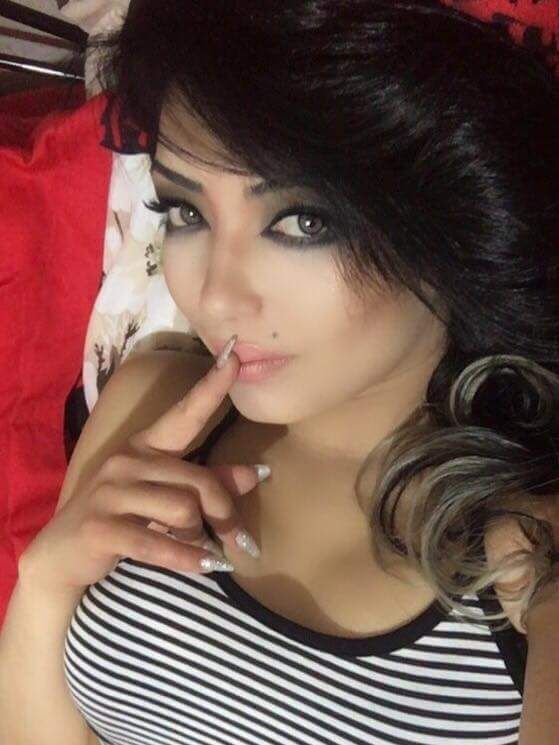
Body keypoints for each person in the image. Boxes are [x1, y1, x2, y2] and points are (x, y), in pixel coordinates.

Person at [1, 1, 559, 743]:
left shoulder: (525, 543)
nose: (215, 294)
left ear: (457, 224)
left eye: (304, 221)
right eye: (186, 211)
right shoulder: (152, 403)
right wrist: (44, 583)